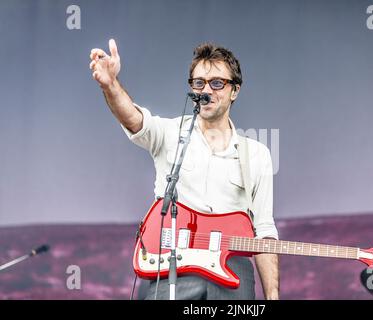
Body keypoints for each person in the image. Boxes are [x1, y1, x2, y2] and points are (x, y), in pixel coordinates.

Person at [89, 39, 279, 300]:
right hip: (173, 265)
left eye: (217, 83)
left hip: (231, 268)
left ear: (234, 90)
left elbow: (264, 231)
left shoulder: (257, 154)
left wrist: (273, 295)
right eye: (199, 83)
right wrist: (110, 85)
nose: (206, 90)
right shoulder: (171, 133)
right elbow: (133, 119)